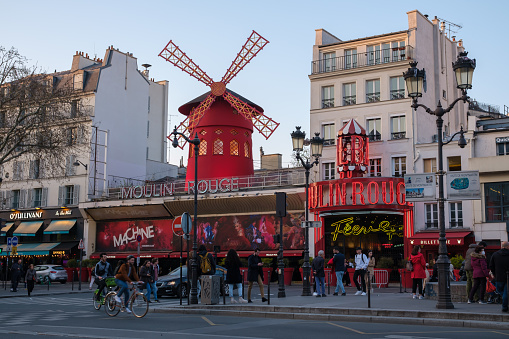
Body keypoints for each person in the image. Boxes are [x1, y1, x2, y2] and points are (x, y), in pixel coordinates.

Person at [489, 241, 509, 312]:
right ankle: (505, 306)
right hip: (507, 276)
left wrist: (494, 274)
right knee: (506, 292)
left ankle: (505, 305)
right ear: (508, 247)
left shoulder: (495, 254)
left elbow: (491, 266)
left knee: (499, 290)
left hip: (499, 276)